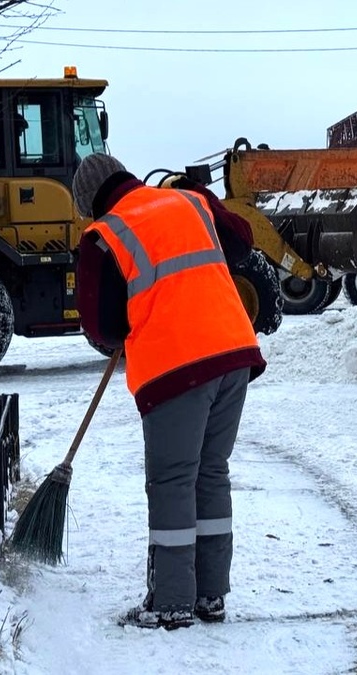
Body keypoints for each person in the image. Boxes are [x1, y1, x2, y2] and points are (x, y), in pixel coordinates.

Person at [72, 153, 266, 630]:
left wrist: (130, 322)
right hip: (234, 351)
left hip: (177, 366)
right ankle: (210, 596)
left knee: (173, 479)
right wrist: (206, 196)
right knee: (210, 472)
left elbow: (101, 326)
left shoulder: (104, 236)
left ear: (90, 201)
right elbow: (243, 243)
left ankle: (172, 602)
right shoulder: (189, 200)